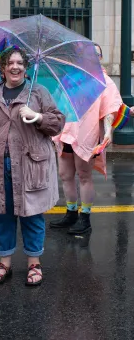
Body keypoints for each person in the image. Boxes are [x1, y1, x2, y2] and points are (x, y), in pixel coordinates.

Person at [0, 45, 65, 286]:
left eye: (20, 64)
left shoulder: (38, 93)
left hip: (30, 166)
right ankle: (5, 261)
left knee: (32, 214)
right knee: (2, 215)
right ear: (2, 69)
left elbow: (57, 123)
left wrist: (38, 117)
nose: (15, 67)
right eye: (10, 63)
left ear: (26, 69)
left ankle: (34, 263)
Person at [50, 43, 122, 234]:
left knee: (84, 176)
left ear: (100, 58)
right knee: (65, 175)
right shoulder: (71, 79)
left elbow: (110, 109)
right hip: (67, 133)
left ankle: (85, 218)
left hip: (87, 135)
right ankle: (71, 213)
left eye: (95, 55)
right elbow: (57, 103)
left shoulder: (105, 81)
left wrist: (107, 132)